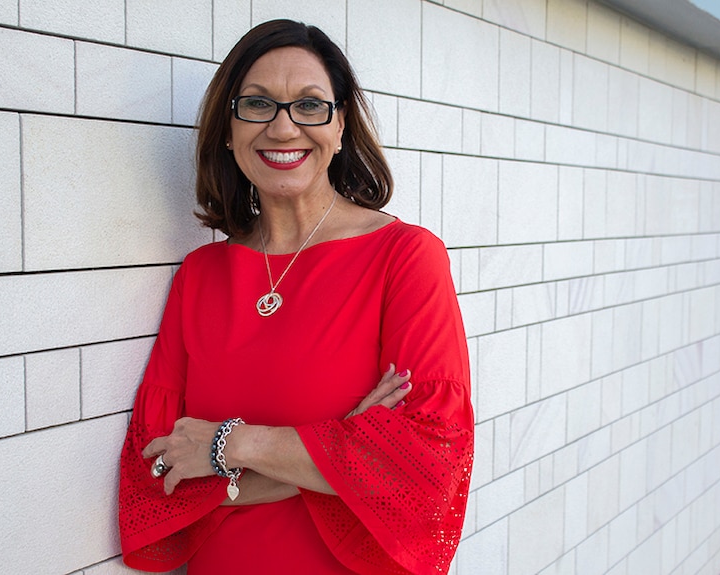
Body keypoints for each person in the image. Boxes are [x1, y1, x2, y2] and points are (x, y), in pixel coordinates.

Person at [118, 19, 474, 575]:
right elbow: (156, 479)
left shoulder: (405, 258)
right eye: (257, 105)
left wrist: (226, 448)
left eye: (310, 106)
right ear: (229, 130)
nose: (284, 129)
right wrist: (342, 450)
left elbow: (426, 471)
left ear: (340, 127)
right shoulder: (201, 276)